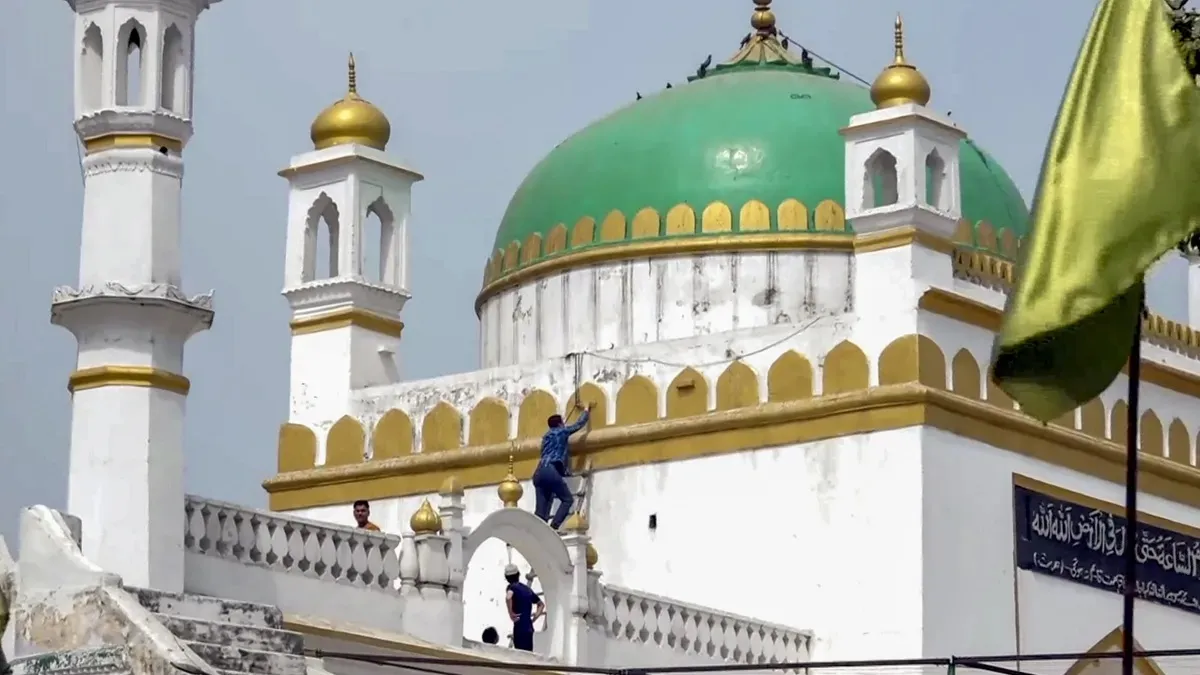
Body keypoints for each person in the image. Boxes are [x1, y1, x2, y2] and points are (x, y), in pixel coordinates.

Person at [533, 404, 591, 529]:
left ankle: (536, 533)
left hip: (538, 473)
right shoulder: (562, 431)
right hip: (550, 471)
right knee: (567, 500)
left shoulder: (545, 437)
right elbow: (578, 424)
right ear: (560, 424)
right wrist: (586, 410)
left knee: (541, 512)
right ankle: (554, 527)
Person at [504, 564, 543, 652]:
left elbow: (508, 597)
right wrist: (535, 617)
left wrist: (511, 614)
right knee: (528, 655)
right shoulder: (527, 589)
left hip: (519, 629)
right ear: (518, 574)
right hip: (529, 629)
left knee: (520, 656)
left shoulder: (511, 587)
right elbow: (541, 604)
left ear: (506, 578)